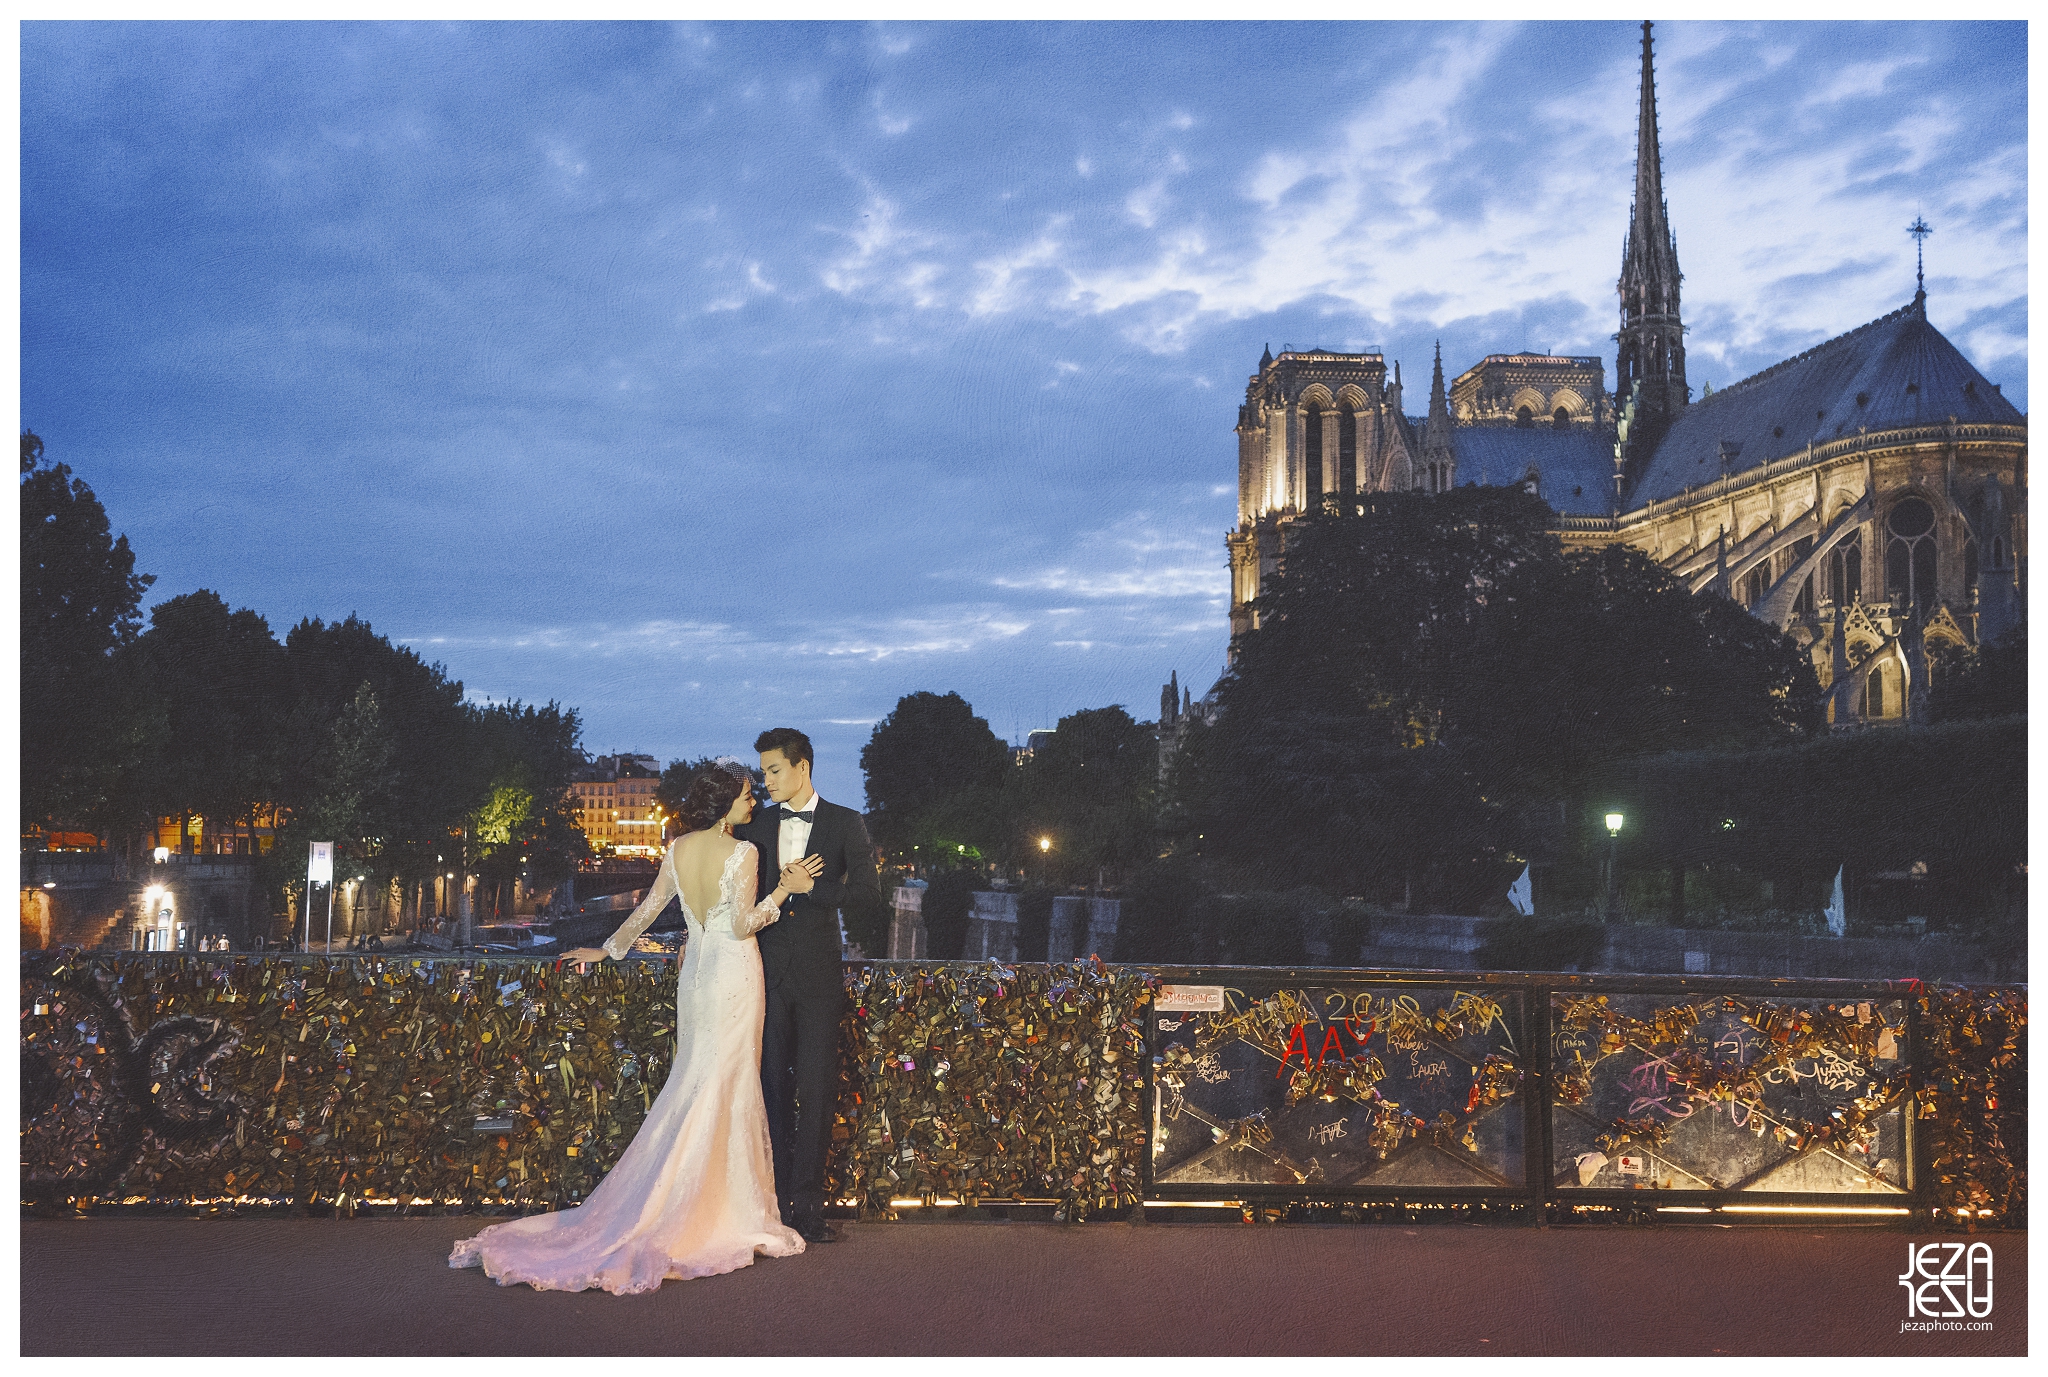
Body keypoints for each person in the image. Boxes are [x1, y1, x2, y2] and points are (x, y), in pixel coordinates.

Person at [447, 759, 824, 1293]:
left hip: (695, 976)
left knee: (696, 1079)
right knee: (727, 1081)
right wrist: (788, 889)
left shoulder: (679, 849)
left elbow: (649, 908)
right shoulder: (743, 853)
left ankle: (681, 1199)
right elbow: (742, 925)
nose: (753, 802)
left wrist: (609, 950)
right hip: (735, 974)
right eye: (745, 795)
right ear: (724, 804)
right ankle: (719, 1209)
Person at [735, 727, 876, 1245]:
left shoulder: (845, 823)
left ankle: (809, 1210)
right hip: (764, 975)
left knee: (817, 1090)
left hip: (818, 978)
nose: (766, 781)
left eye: (774, 770)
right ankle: (766, 1206)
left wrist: (810, 887)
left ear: (803, 768)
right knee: (768, 1087)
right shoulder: (755, 827)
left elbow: (865, 895)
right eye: (764, 771)